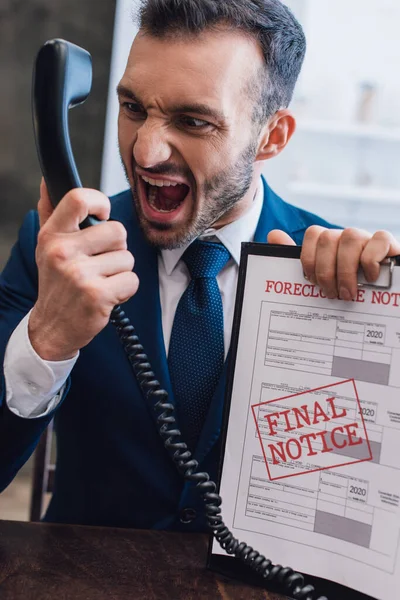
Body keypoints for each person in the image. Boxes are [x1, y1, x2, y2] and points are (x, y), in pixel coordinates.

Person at [0, 0, 399, 532]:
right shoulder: (58, 248)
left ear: (271, 137)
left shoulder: (334, 273)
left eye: (192, 120)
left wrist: (380, 326)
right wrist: (45, 340)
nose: (145, 151)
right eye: (134, 108)